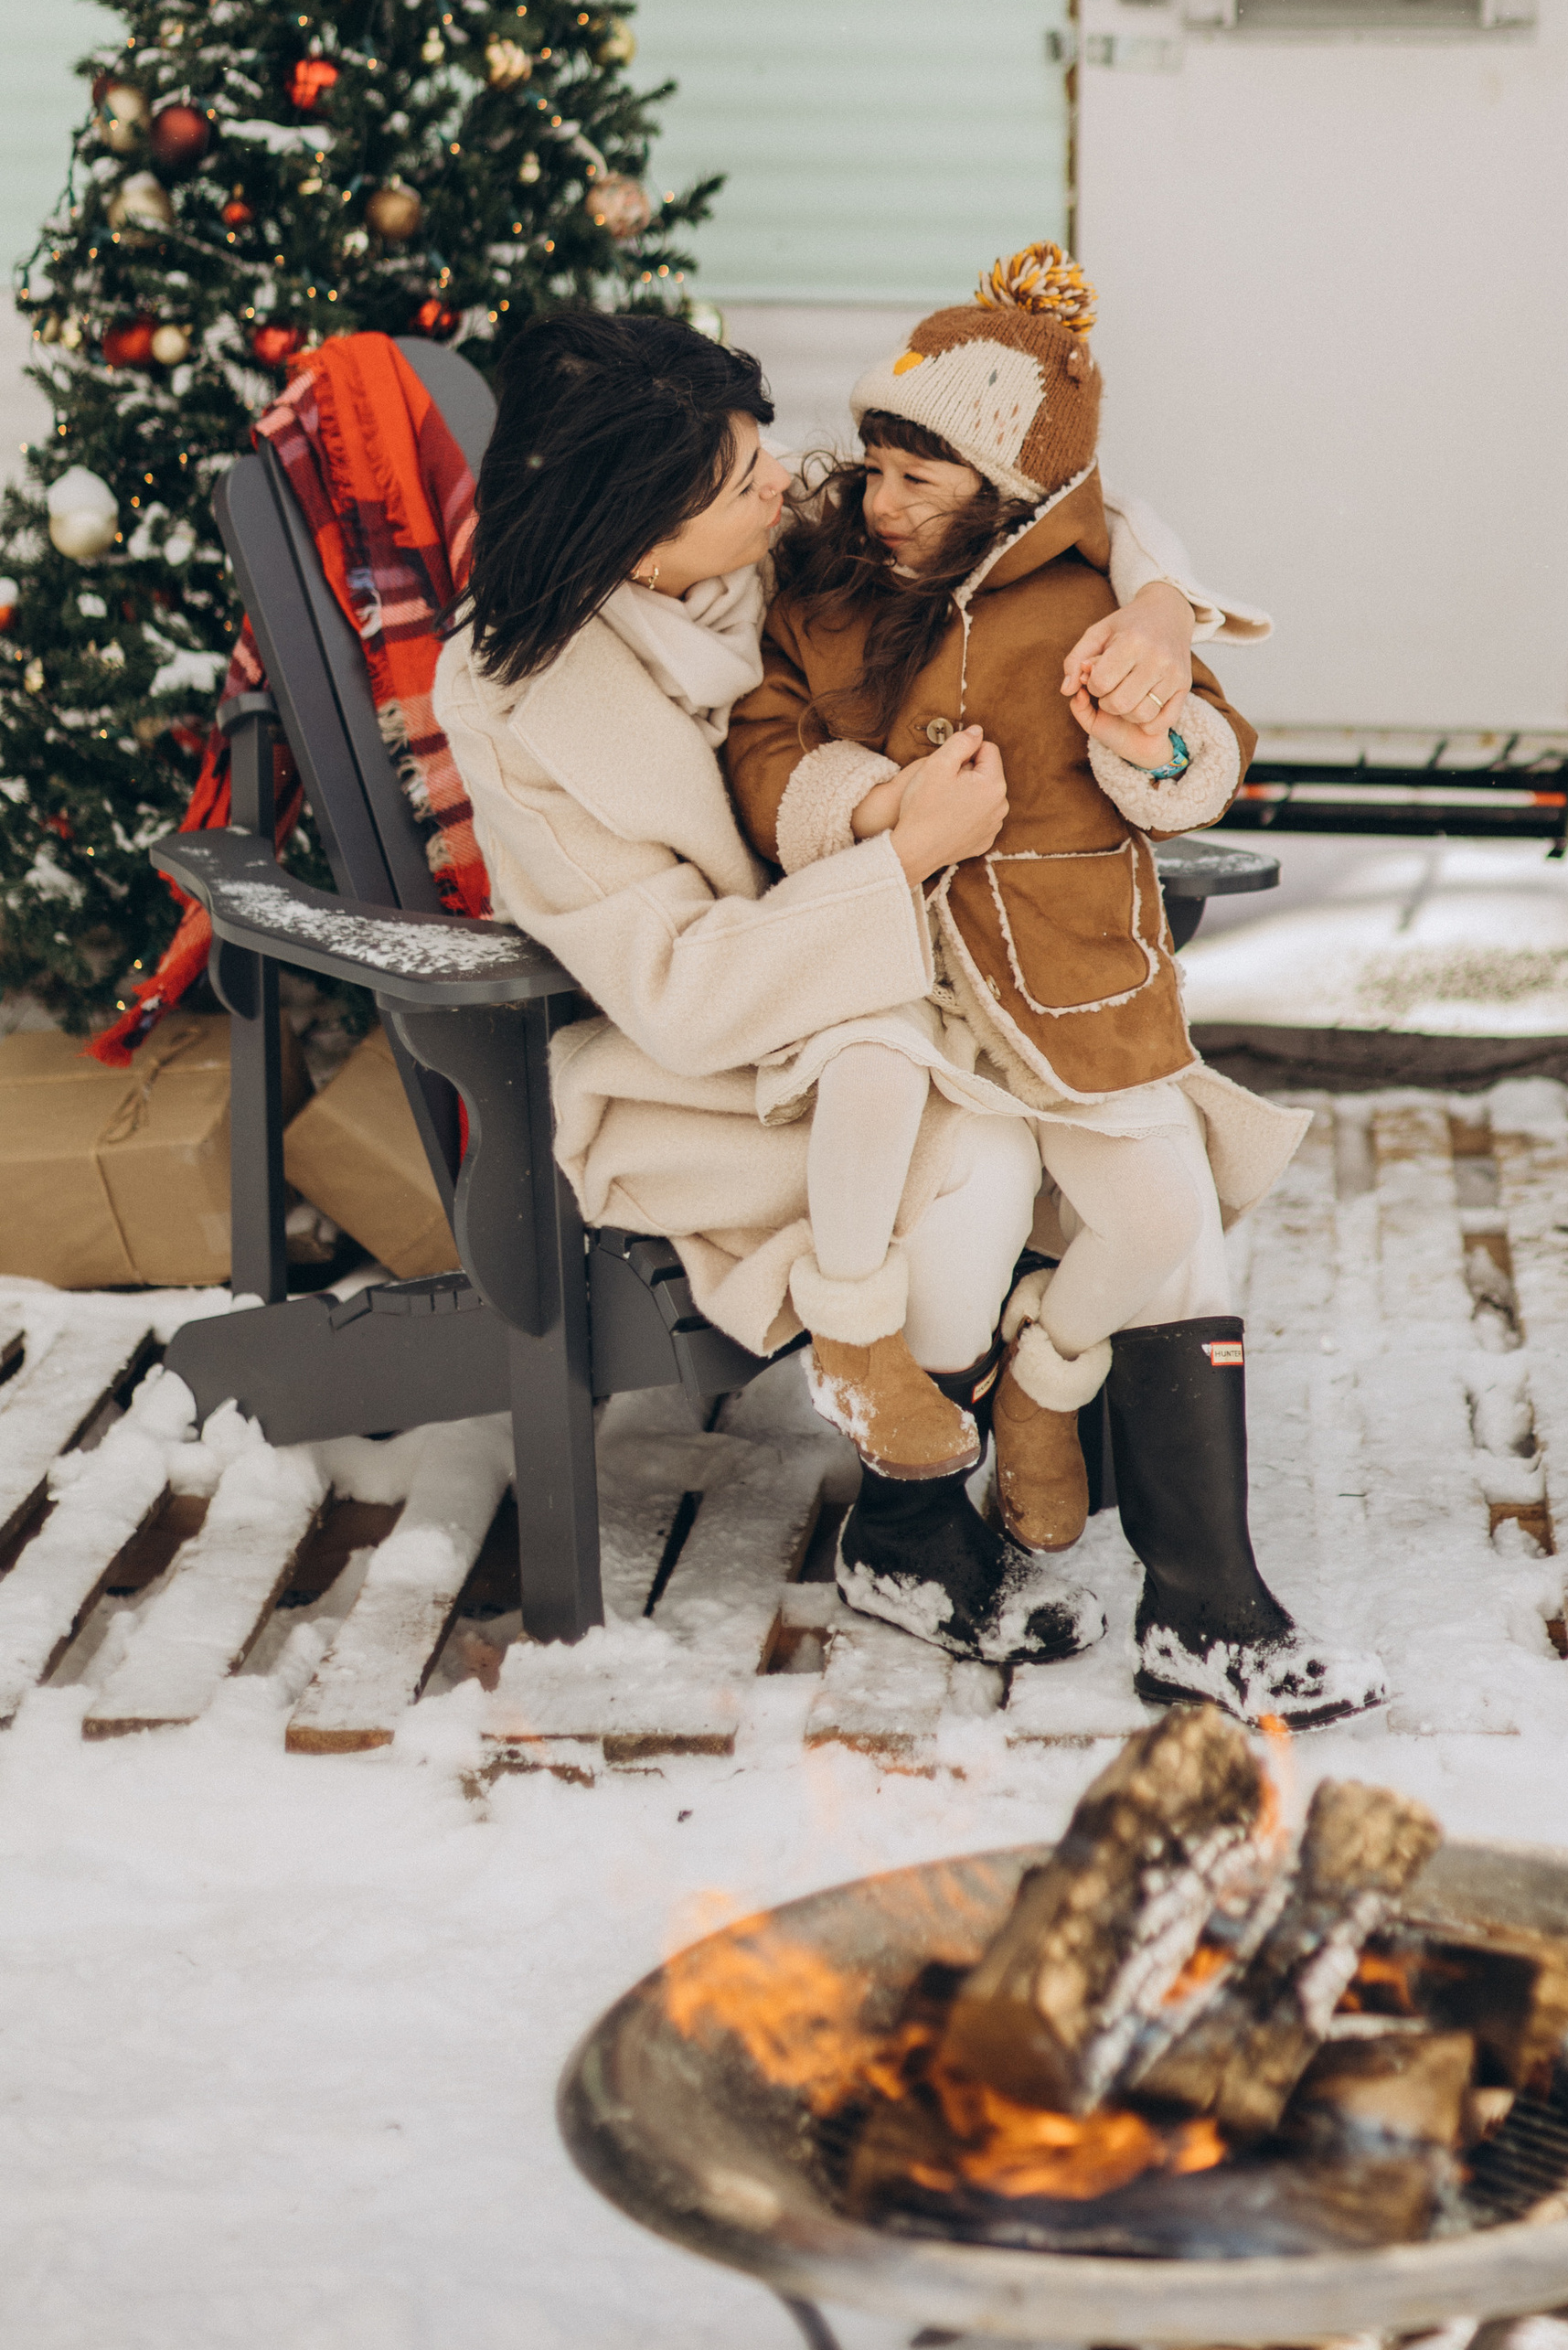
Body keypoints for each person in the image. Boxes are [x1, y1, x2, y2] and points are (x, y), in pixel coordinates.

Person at [432, 303, 1244, 1672]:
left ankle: (1206, 1581)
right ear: (640, 537)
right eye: (743, 479)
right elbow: (681, 992)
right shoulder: (525, 710)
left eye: (761, 454)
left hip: (886, 999)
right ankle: (911, 1522)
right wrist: (903, 849)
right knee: (980, 1157)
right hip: (697, 1073)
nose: (787, 482)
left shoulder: (752, 563)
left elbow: (1041, 498)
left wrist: (1157, 598)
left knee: (1140, 1139)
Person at [724, 243, 1386, 1728]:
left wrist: (1145, 732)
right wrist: (877, 804)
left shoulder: (1092, 592)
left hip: (1069, 981)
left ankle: (1077, 1413)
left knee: (1164, 1214)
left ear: (1011, 495)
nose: (882, 501)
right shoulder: (821, 594)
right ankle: (921, 1528)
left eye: (925, 479)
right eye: (878, 463)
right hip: (899, 986)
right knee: (964, 1205)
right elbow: (766, 756)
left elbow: (1198, 756)